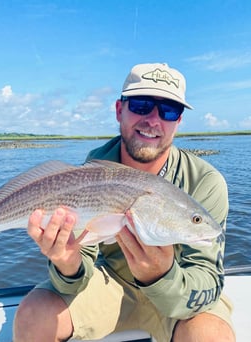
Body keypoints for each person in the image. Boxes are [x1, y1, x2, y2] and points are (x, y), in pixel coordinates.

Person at [13, 63, 235, 342]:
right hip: (111, 284)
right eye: (142, 105)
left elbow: (207, 278)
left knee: (210, 335)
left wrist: (161, 275)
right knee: (34, 317)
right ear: (120, 110)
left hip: (178, 291)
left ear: (178, 121)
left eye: (168, 110)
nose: (153, 120)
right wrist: (67, 263)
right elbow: (82, 262)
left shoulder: (205, 181)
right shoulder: (93, 172)